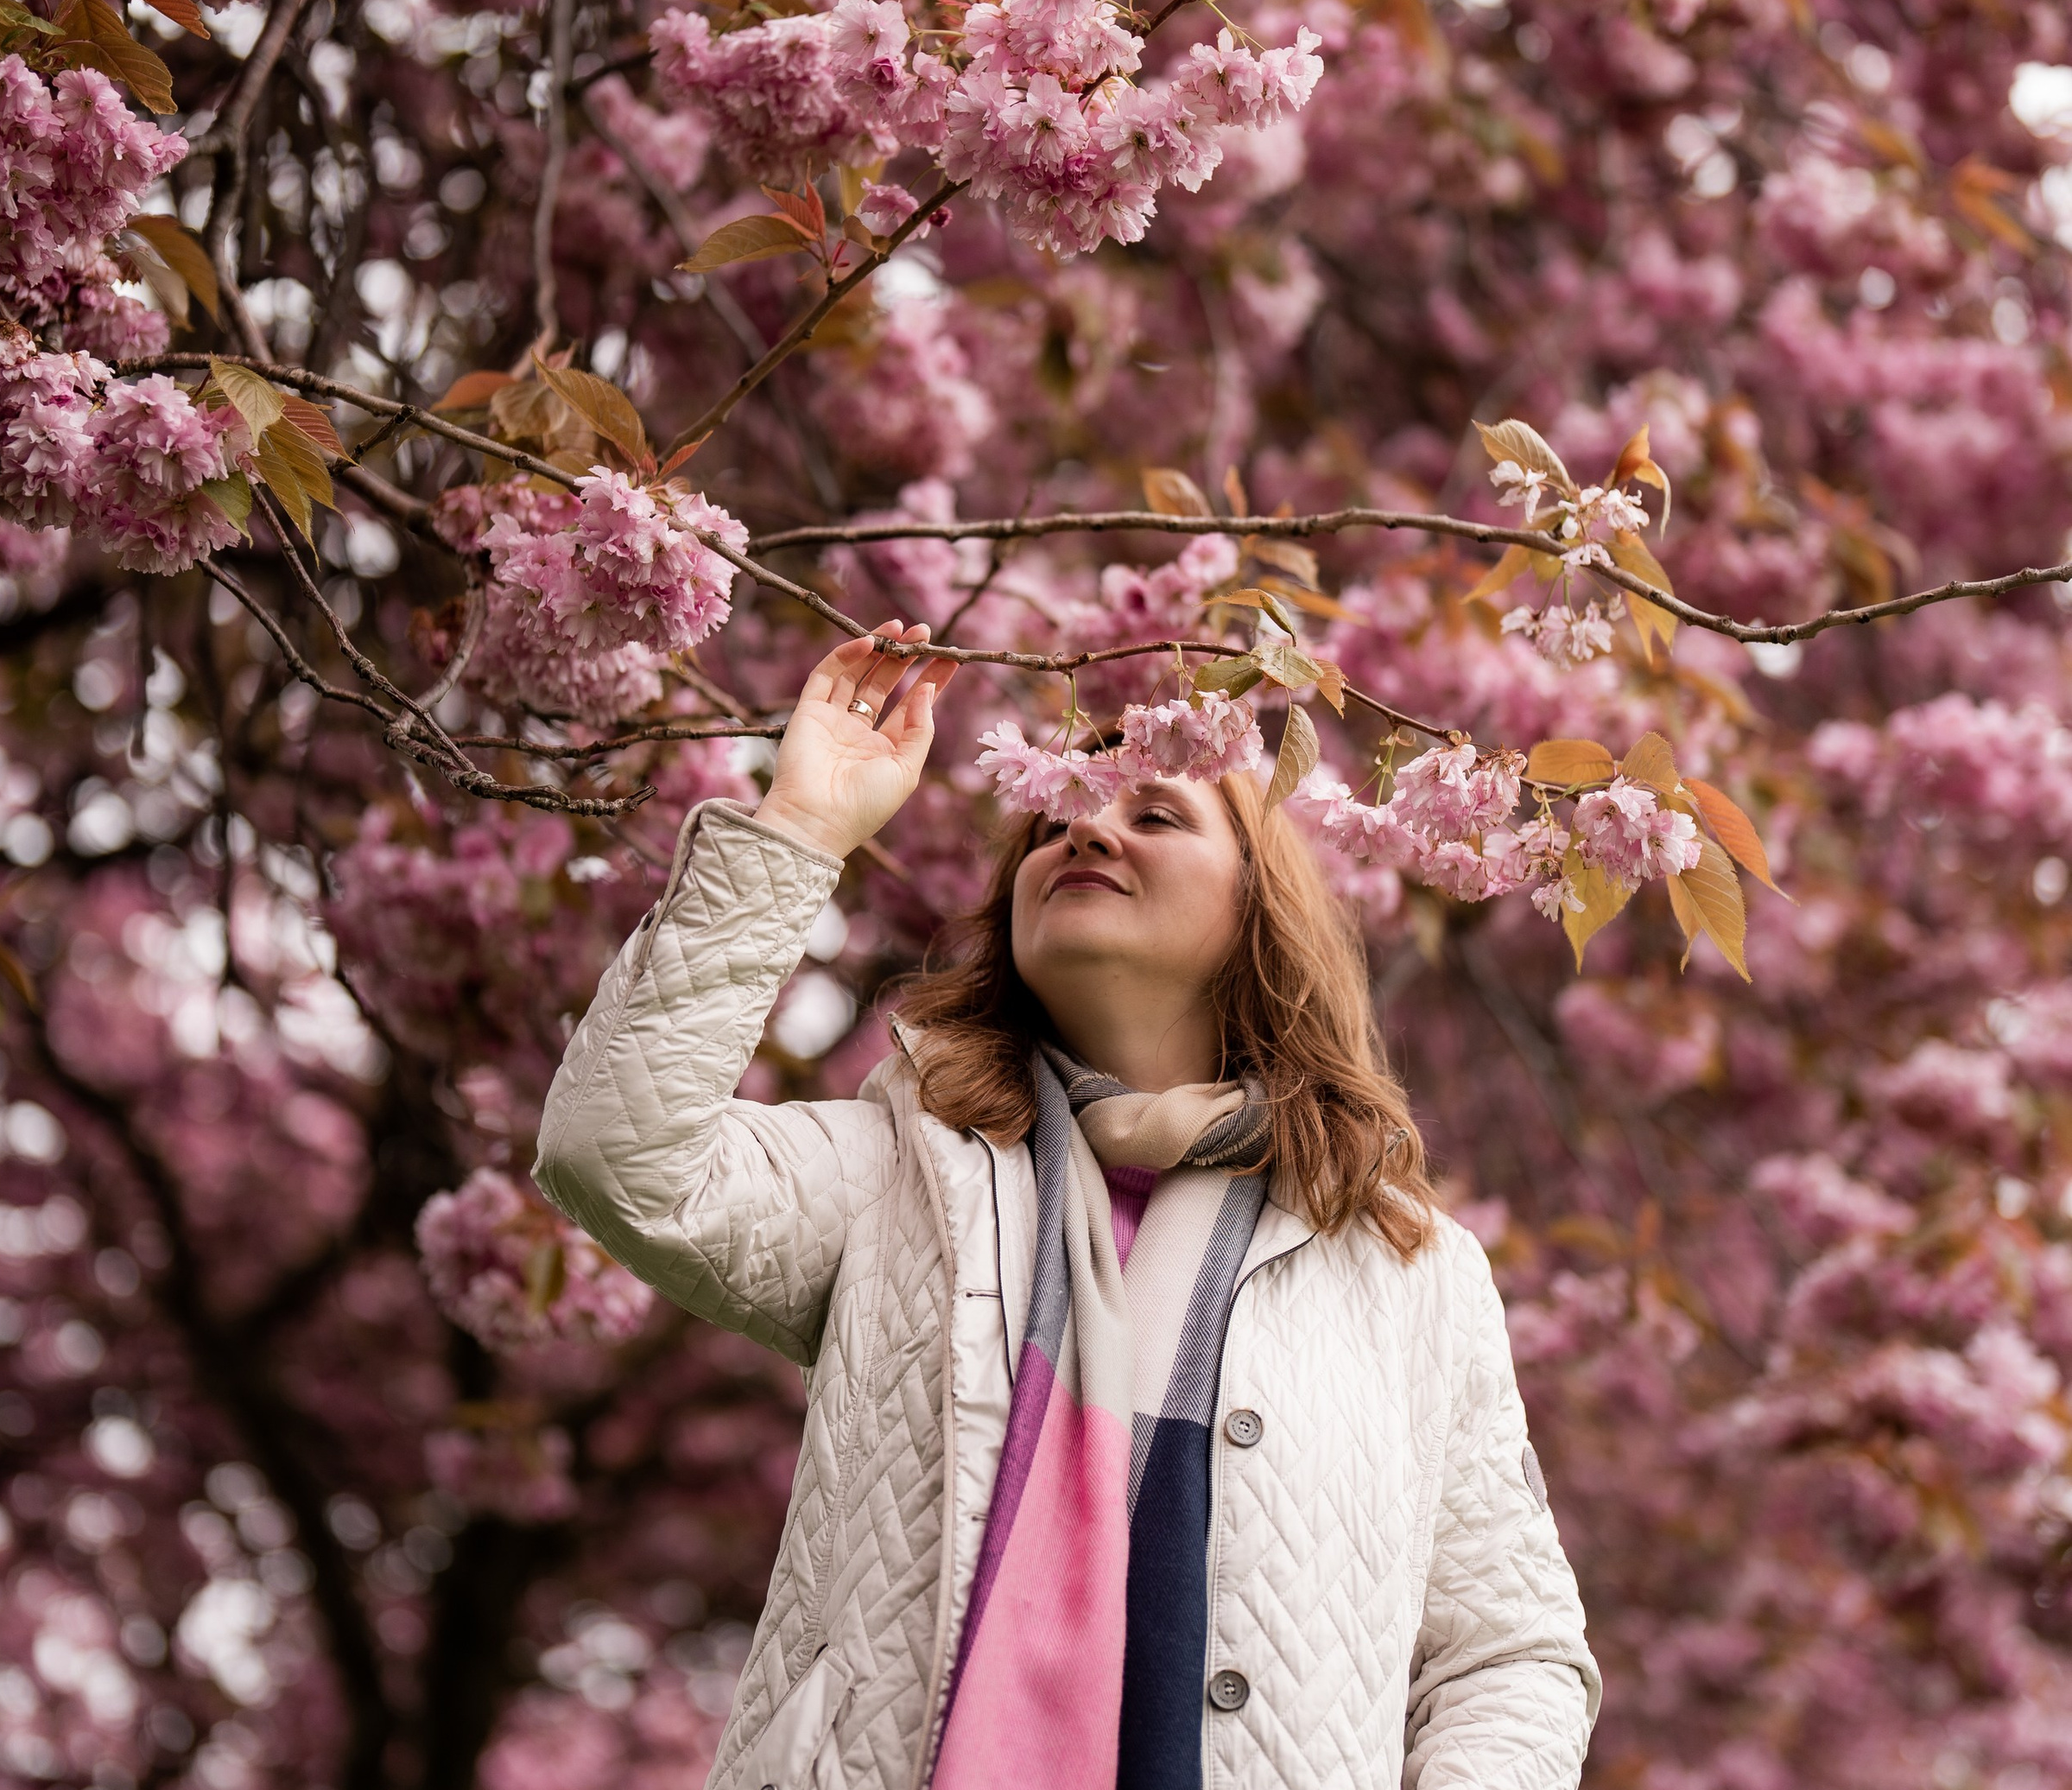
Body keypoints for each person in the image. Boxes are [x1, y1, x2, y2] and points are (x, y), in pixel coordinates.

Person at [535, 622, 1600, 1790]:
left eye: (1158, 815)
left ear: (1261, 908)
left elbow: (1511, 1655)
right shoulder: (903, 1170)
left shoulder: (1407, 1268)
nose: (1087, 829)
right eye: (1054, 823)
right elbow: (617, 1155)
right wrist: (800, 824)